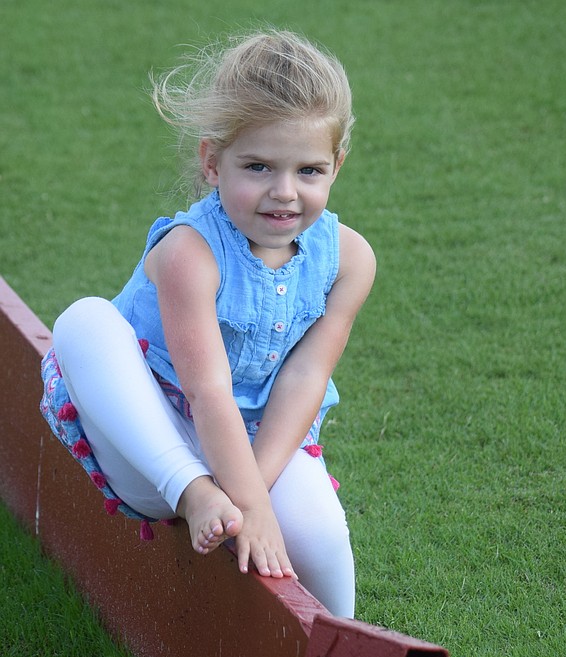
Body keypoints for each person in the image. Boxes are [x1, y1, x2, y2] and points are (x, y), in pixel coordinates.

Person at [39, 29, 375, 619]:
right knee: (84, 320)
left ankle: (342, 653)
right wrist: (215, 492)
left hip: (260, 443)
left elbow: (305, 379)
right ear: (211, 162)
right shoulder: (190, 253)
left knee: (320, 531)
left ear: (337, 165)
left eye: (310, 170)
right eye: (258, 166)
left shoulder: (350, 259)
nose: (284, 192)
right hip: (158, 449)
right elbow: (206, 388)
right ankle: (195, 494)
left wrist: (253, 497)